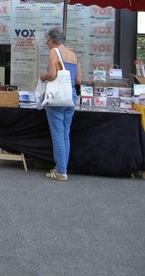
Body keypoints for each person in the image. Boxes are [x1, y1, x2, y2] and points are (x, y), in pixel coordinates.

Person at [39, 27, 82, 182]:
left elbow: (52, 74)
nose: (47, 45)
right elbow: (78, 80)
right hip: (70, 95)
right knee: (65, 134)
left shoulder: (54, 52)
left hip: (57, 96)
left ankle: (61, 171)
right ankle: (61, 167)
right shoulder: (74, 55)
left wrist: (43, 76)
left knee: (57, 134)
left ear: (51, 40)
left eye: (47, 42)